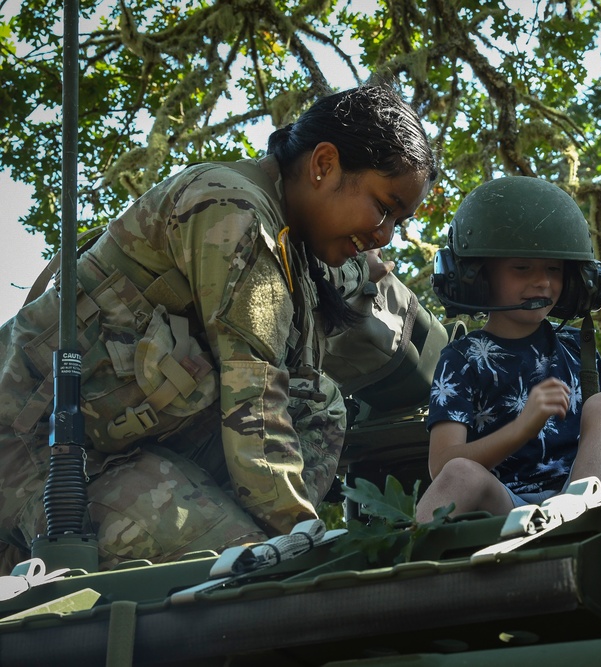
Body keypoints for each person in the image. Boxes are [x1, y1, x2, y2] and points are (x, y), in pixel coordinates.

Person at [0, 83, 436, 574]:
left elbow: (356, 279)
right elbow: (255, 401)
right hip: (41, 453)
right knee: (250, 568)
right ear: (323, 164)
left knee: (316, 400)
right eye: (384, 207)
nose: (384, 234)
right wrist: (297, 539)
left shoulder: (300, 244)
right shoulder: (234, 212)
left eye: (398, 220)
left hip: (133, 444)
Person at [415, 176, 601, 523]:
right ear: (480, 277)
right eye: (522, 268)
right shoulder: (460, 359)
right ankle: (408, 569)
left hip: (588, 497)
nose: (542, 282)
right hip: (509, 507)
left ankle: (571, 517)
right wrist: (523, 427)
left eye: (554, 269)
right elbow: (442, 466)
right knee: (460, 473)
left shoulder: (576, 349)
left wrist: (581, 494)